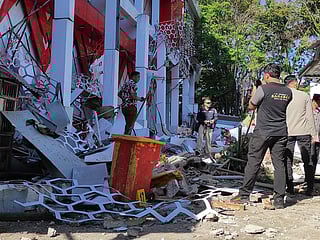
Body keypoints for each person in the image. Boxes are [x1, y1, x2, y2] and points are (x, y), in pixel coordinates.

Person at [232, 63, 292, 209]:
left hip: (263, 132)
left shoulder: (263, 89)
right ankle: (279, 199)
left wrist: (254, 91)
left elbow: (251, 106)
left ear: (267, 75)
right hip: (281, 132)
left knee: (254, 162)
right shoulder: (288, 92)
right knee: (279, 165)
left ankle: (245, 195)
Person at [284, 75, 317, 196]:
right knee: (307, 159)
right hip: (303, 131)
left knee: (287, 159)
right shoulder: (304, 96)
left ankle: (290, 187)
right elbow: (309, 116)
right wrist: (314, 134)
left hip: (287, 131)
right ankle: (310, 188)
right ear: (295, 83)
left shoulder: (283, 95)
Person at [311, 94, 320, 192]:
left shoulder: (319, 111)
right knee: (310, 159)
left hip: (318, 139)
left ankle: (311, 179)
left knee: (314, 159)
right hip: (310, 138)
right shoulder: (309, 111)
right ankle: (309, 180)